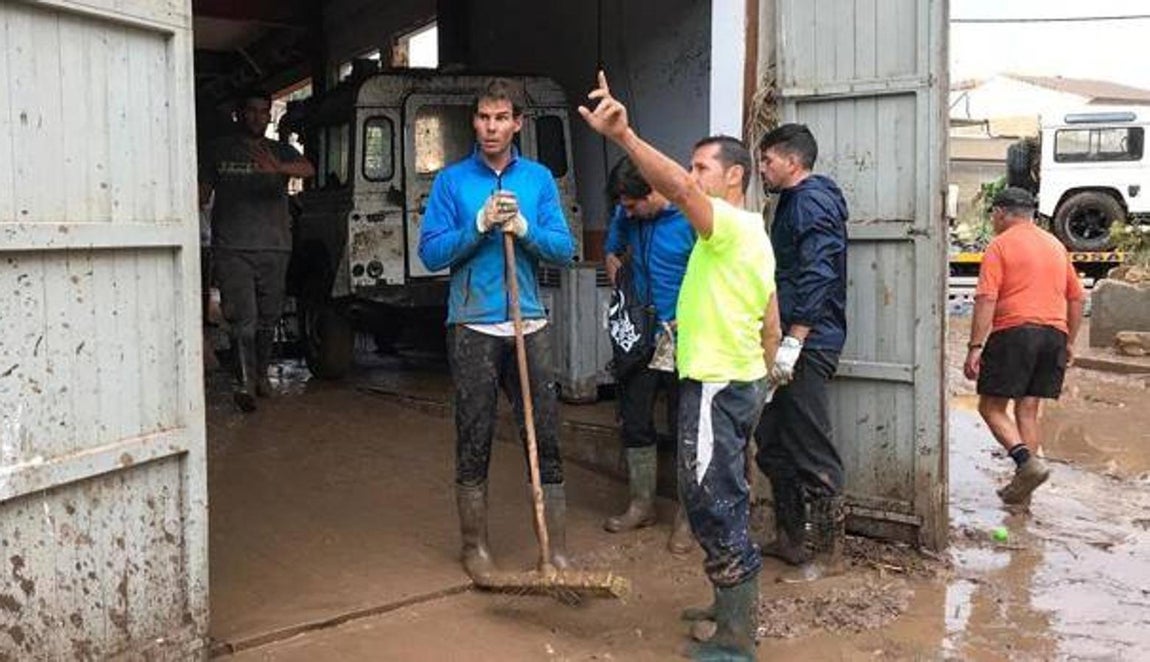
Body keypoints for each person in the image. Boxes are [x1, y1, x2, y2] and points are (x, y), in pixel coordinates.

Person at [581, 71, 781, 662]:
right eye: (690, 168)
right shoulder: (745, 236)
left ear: (734, 177)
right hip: (734, 379)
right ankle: (725, 608)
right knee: (720, 493)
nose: (692, 180)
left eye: (701, 169)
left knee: (712, 501)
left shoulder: (727, 227)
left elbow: (682, 195)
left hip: (718, 383)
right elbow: (771, 315)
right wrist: (765, 379)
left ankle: (737, 639)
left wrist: (626, 137)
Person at [418, 79, 577, 581]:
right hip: (472, 323)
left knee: (545, 432)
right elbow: (431, 253)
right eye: (484, 118)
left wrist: (525, 230)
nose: (492, 127)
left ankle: (554, 548)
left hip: (528, 321)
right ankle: (475, 547)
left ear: (516, 123)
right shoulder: (451, 182)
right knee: (475, 432)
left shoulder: (537, 180)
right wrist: (480, 225)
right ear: (475, 122)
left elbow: (564, 248)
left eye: (501, 118)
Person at [752, 123, 849, 582]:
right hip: (784, 339)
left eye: (768, 160)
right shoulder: (789, 202)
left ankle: (829, 555)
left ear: (792, 161)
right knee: (772, 441)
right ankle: (791, 539)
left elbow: (819, 271)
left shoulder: (811, 201)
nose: (763, 167)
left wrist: (795, 338)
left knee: (811, 444)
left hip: (807, 341)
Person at [964, 187, 1084, 508]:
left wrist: (975, 346)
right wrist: (1069, 341)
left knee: (990, 408)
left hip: (1016, 332)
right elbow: (1077, 298)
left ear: (1002, 213)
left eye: (993, 214)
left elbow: (986, 298)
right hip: (1054, 335)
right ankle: (1023, 495)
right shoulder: (1057, 246)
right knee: (1027, 410)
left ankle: (1025, 462)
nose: (992, 220)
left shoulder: (1000, 245)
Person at [602, 156, 696, 553]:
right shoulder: (628, 215)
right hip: (641, 338)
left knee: (685, 427)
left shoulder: (694, 217)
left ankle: (688, 518)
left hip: (687, 337)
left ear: (655, 191)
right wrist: (624, 290)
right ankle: (641, 504)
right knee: (636, 419)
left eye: (632, 205)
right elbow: (611, 252)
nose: (626, 213)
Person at [200, 92, 315, 412]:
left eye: (263, 112)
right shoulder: (218, 150)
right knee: (243, 320)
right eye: (250, 111)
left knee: (268, 319)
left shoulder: (280, 150)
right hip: (232, 247)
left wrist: (277, 167)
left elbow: (309, 169)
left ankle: (261, 374)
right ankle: (244, 384)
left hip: (275, 247)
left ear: (269, 118)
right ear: (239, 114)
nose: (256, 117)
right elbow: (201, 192)